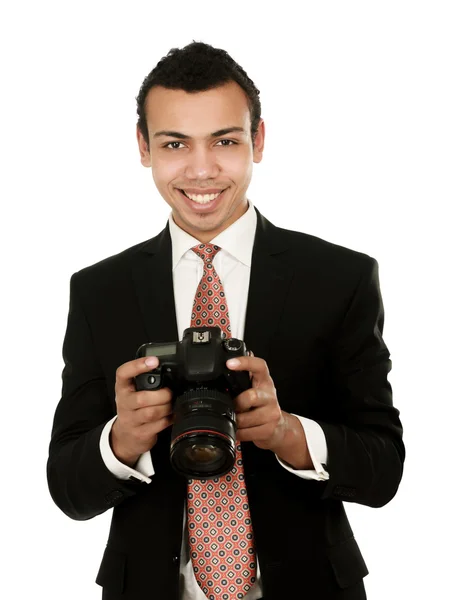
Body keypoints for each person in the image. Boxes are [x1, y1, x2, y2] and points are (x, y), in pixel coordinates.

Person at [47, 41, 405, 600]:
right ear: (143, 147)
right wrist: (120, 441)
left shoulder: (340, 278)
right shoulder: (99, 291)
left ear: (258, 140)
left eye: (225, 141)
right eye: (174, 143)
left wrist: (291, 434)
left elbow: (384, 470)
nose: (201, 169)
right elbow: (68, 489)